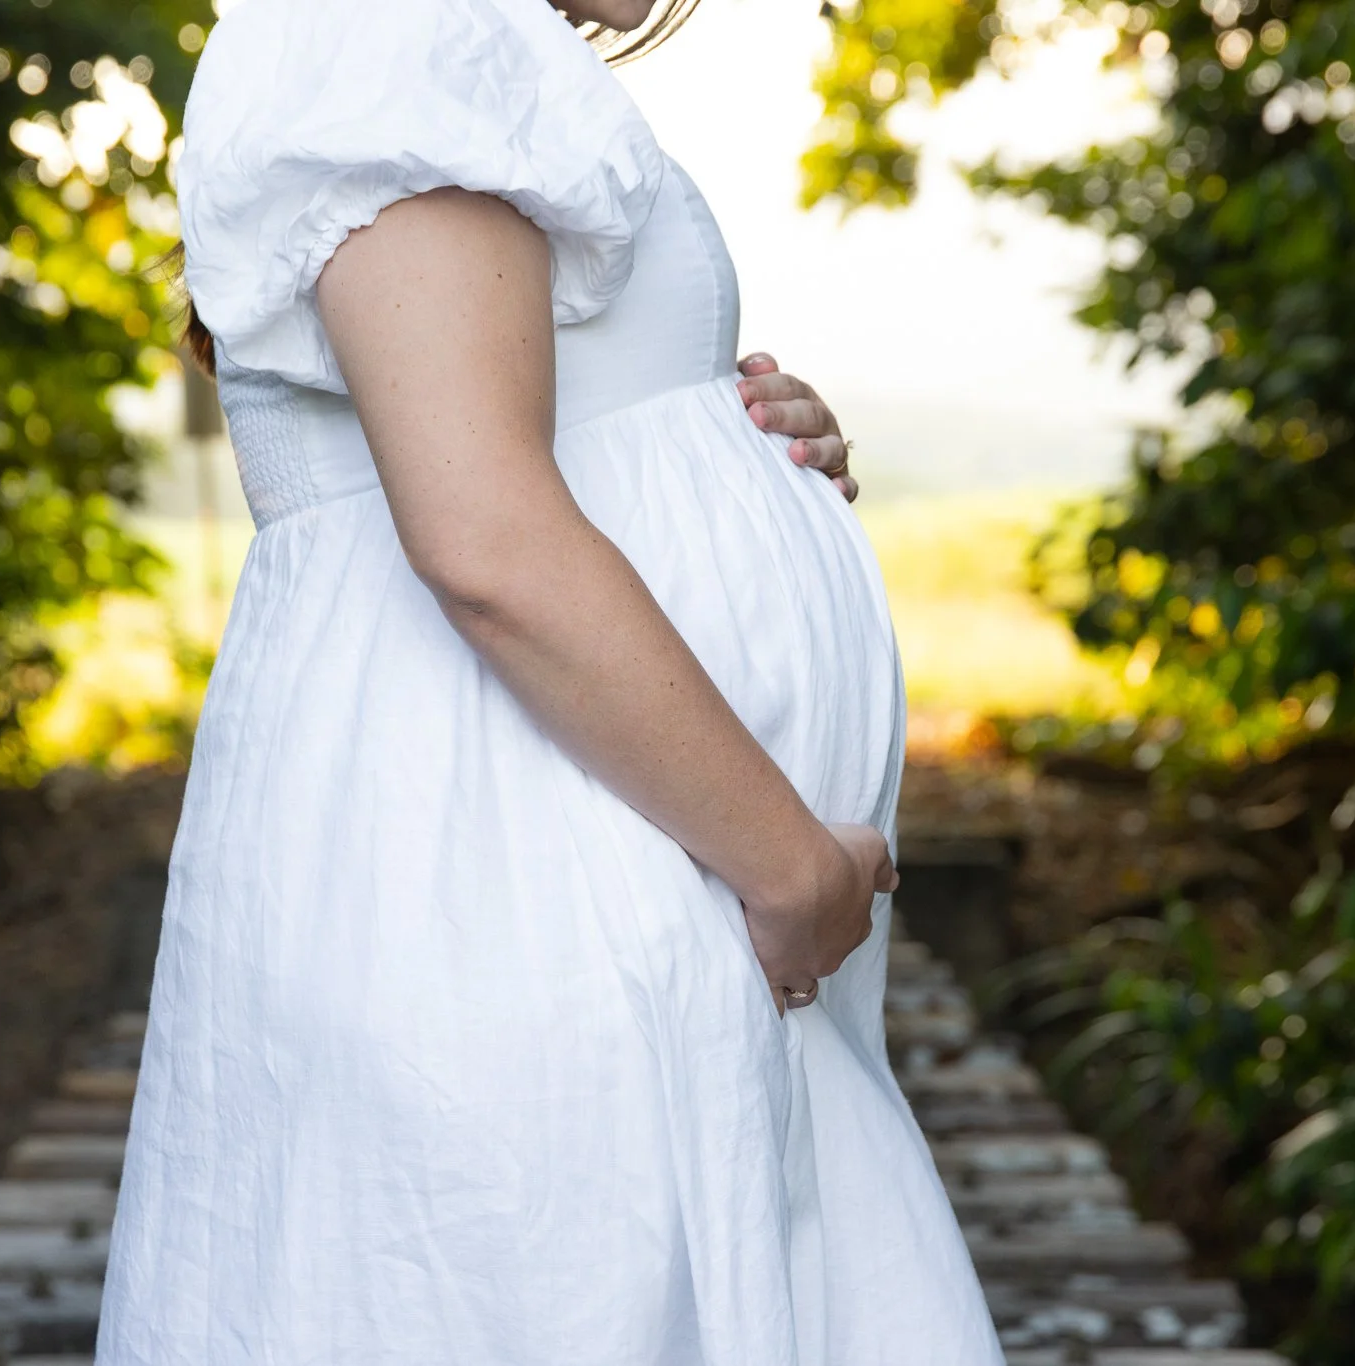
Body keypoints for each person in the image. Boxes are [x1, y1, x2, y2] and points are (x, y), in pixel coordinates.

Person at [95, 0, 1003, 1361]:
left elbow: (519, 447)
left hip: (616, 874)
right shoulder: (393, 26)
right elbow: (485, 541)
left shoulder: (458, 43)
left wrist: (734, 446)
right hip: (537, 886)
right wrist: (789, 866)